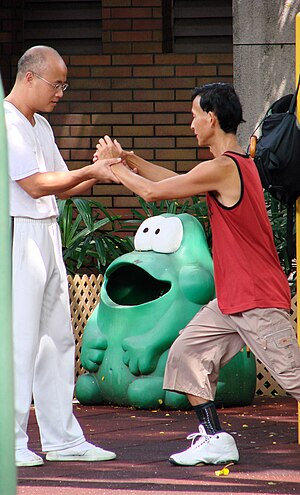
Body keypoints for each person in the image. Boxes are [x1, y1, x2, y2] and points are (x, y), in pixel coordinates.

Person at [95, 82, 300, 466]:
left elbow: (154, 194)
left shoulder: (224, 168)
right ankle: (215, 438)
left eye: (193, 115)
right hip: (232, 299)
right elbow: (170, 181)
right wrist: (130, 159)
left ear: (211, 116)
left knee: (294, 376)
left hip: (255, 297)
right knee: (188, 353)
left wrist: (113, 168)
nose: (190, 123)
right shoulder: (230, 166)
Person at [4, 45, 122, 467]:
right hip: (17, 234)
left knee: (57, 338)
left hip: (46, 231)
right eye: (57, 84)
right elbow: (34, 185)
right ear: (30, 77)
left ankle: (62, 438)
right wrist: (90, 171)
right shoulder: (7, 121)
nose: (61, 93)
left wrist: (100, 167)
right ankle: (11, 441)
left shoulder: (40, 125)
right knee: (18, 340)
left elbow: (61, 185)